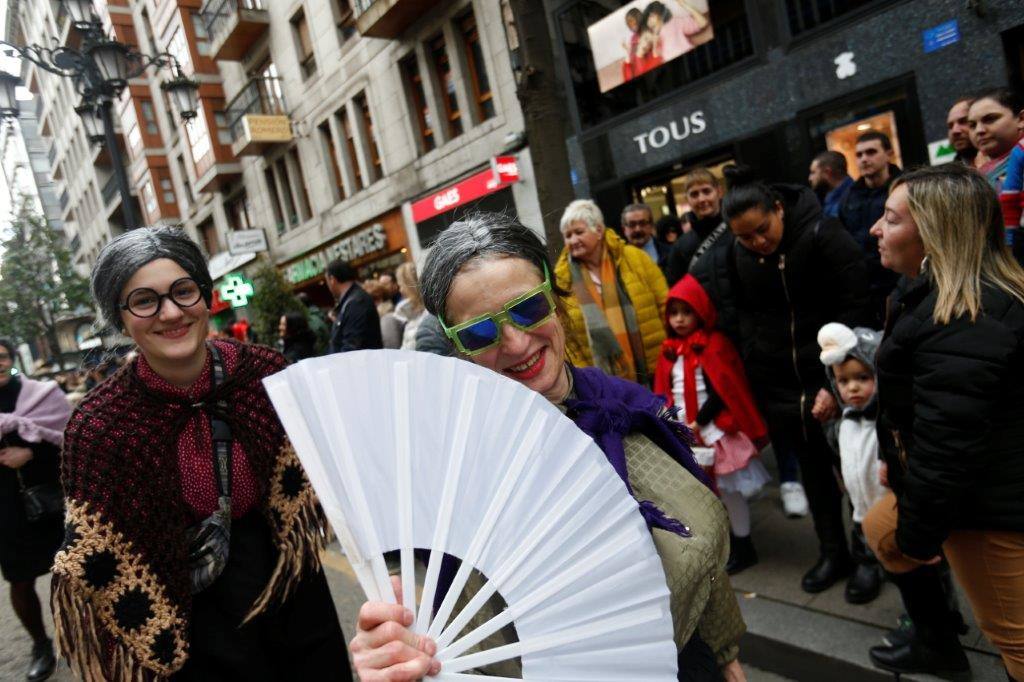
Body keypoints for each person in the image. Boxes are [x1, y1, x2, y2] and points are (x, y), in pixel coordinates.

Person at [350, 212, 748, 682]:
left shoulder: (628, 408)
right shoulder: (455, 478)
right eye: (480, 332)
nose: (516, 343)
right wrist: (399, 653)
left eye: (528, 308)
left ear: (556, 304)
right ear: (459, 351)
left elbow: (700, 558)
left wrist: (726, 656)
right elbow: (460, 645)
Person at [53, 227, 351, 681]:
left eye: (183, 291)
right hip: (185, 615)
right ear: (120, 317)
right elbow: (100, 556)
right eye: (144, 300)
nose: (170, 312)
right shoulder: (100, 424)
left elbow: (328, 475)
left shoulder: (267, 376)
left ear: (205, 296)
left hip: (289, 588)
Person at [862, 164, 1024, 679]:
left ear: (933, 233)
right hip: (967, 488)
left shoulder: (962, 317)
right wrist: (897, 464)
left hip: (987, 510)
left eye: (890, 218)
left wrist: (922, 535)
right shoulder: (939, 296)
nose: (875, 229)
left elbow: (948, 447)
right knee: (879, 529)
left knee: (1013, 640)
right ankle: (936, 641)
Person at [721, 165, 872, 594]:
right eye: (745, 238)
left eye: (762, 230)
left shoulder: (823, 233)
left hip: (838, 377)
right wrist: (757, 358)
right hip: (783, 383)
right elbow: (744, 312)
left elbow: (856, 304)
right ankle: (832, 553)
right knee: (814, 476)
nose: (757, 243)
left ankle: (869, 558)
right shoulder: (741, 255)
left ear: (779, 209)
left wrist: (835, 382)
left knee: (856, 475)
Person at [653, 275, 771, 576]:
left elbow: (724, 390)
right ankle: (716, 543)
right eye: (674, 312)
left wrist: (700, 421)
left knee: (730, 492)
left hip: (715, 431)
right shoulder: (669, 351)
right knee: (699, 493)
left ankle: (744, 545)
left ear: (701, 312)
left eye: (686, 312)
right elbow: (665, 391)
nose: (679, 320)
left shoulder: (715, 345)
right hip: (684, 432)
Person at [0, 338, 71, 681]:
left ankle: (79, 636)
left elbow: (70, 441)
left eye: (1, 357)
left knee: (71, 573)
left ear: (12, 359)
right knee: (20, 580)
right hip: (6, 509)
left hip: (52, 500)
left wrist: (31, 455)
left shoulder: (42, 394)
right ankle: (41, 644)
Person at [556, 199, 668, 386]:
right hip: (603, 386)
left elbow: (665, 304)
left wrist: (670, 354)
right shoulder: (561, 278)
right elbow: (565, 337)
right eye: (567, 236)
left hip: (655, 371)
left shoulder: (634, 258)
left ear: (598, 231)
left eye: (579, 232)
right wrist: (586, 379)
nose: (572, 240)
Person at [816, 323, 886, 604]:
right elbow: (839, 448)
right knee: (866, 547)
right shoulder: (845, 420)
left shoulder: (884, 418)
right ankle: (869, 568)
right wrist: (827, 421)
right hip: (861, 508)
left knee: (910, 570)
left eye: (863, 377)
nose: (853, 387)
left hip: (890, 509)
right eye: (843, 381)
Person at [838, 131, 902, 325]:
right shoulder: (849, 197)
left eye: (871, 152)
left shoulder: (904, 189)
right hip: (864, 289)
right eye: (859, 155)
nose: (864, 159)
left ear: (888, 153)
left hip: (899, 280)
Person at [665, 168, 729, 285]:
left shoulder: (738, 229)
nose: (701, 199)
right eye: (694, 194)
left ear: (719, 192)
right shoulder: (680, 247)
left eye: (706, 191)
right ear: (687, 200)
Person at [325, 259, 383, 353]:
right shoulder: (352, 301)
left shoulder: (357, 302)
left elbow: (351, 347)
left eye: (327, 281)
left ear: (332, 280)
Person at [622, 202, 671, 273]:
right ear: (624, 230)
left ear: (651, 225)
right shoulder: (618, 260)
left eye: (642, 223)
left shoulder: (670, 253)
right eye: (632, 224)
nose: (638, 229)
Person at [808, 150, 854, 219]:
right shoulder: (824, 198)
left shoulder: (854, 198)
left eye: (813, 172)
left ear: (827, 172)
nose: (810, 178)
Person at [946, 97, 978, 167]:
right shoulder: (948, 176)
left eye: (963, 122)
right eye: (950, 126)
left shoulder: (1007, 165)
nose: (954, 131)